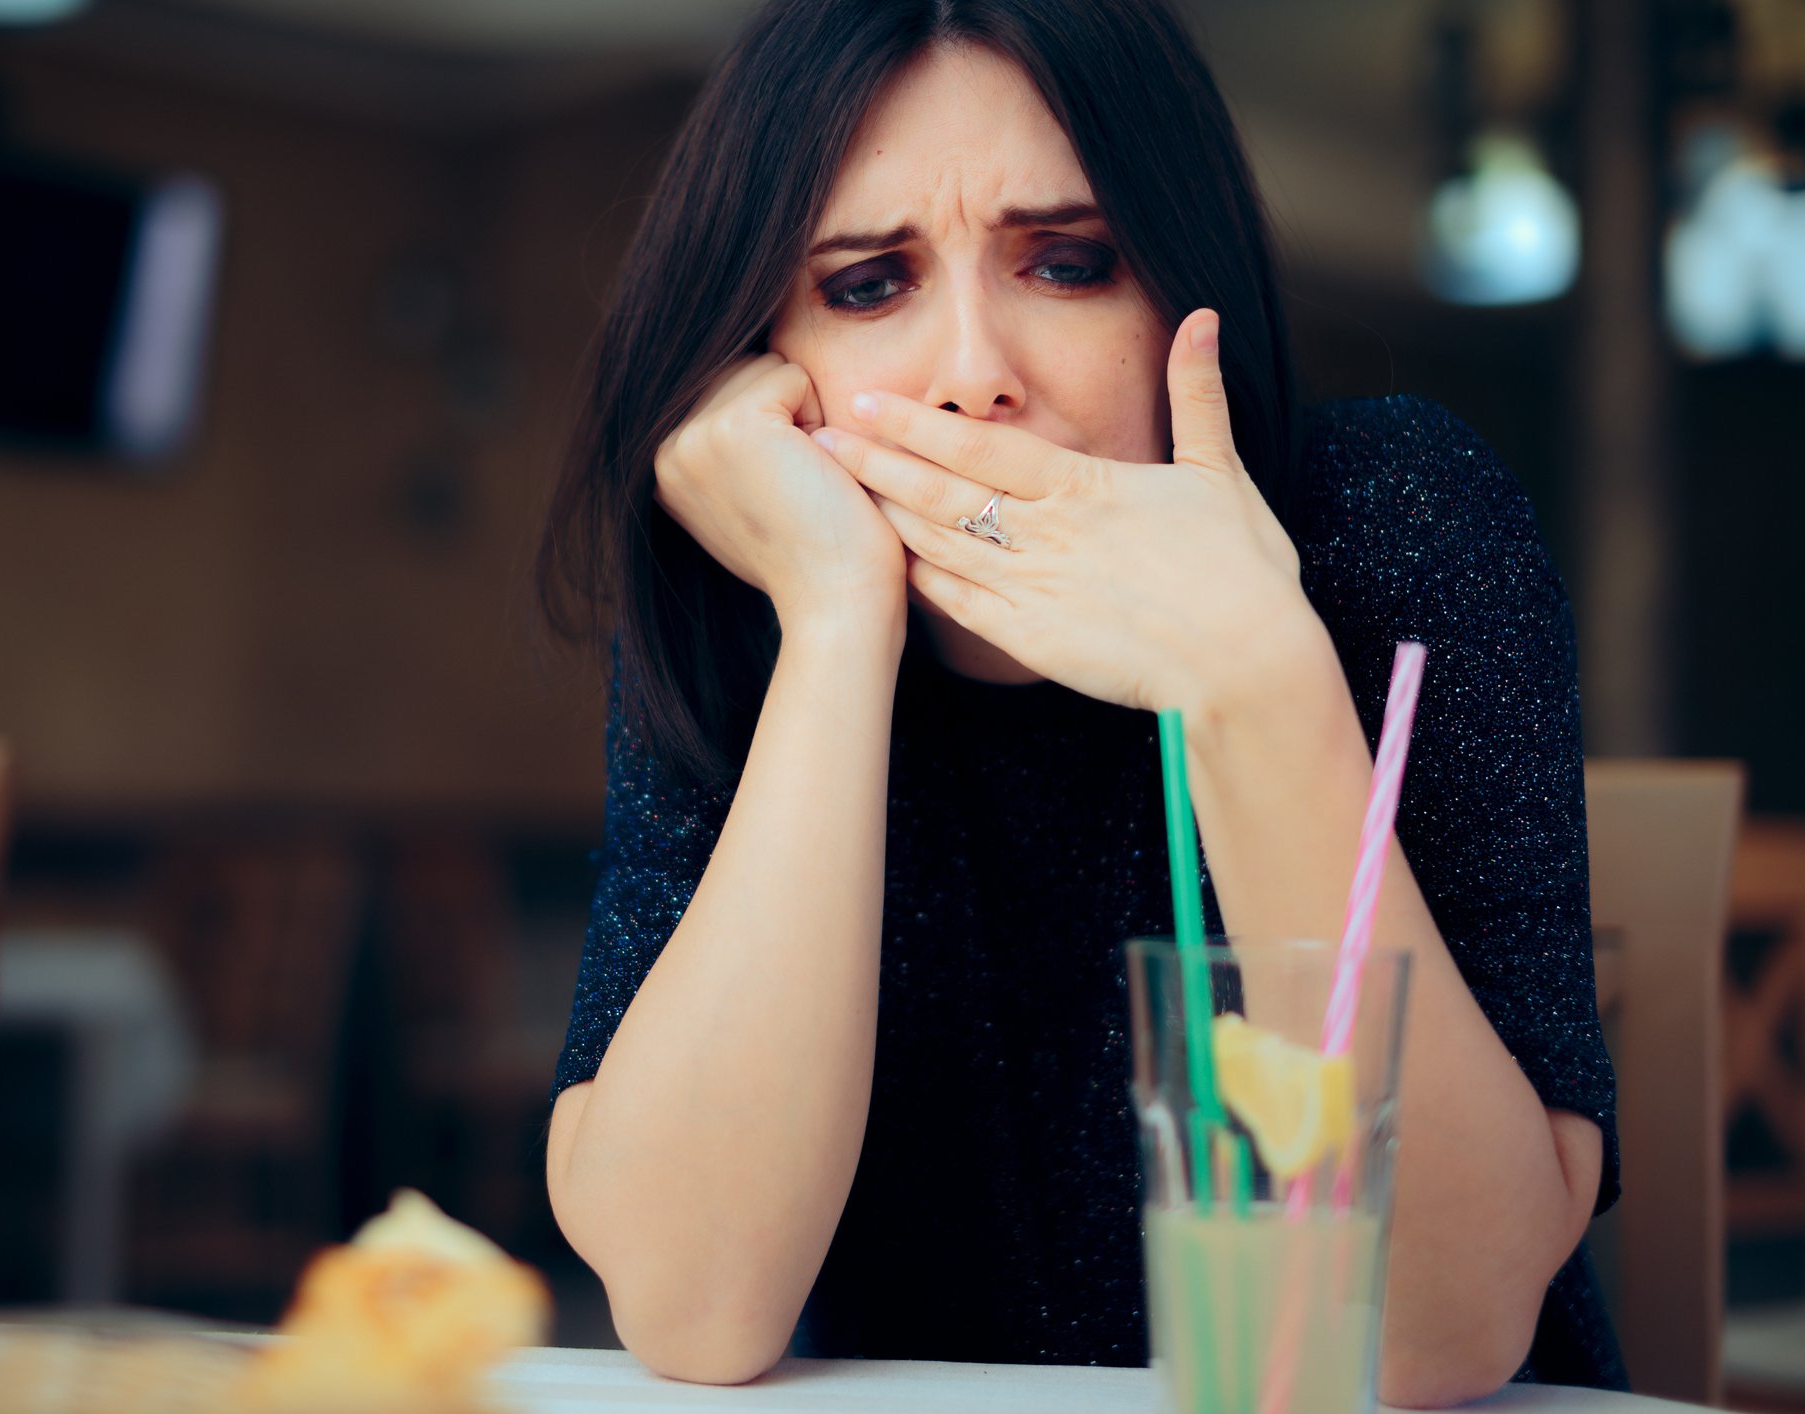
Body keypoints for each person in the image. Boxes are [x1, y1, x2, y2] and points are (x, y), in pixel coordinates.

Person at [536, 0, 1623, 1402]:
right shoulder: (751, 592)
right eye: (867, 286)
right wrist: (834, 619)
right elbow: (694, 1305)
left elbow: (1437, 1333)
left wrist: (1253, 672)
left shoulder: (1392, 518)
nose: (975, 372)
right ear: (764, 361)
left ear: (1180, 286)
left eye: (1066, 263)